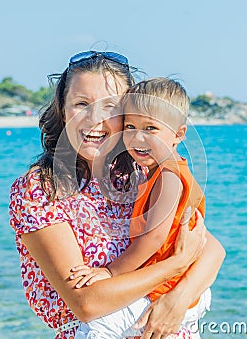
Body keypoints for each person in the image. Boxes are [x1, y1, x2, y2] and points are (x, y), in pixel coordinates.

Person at [9, 51, 226, 339]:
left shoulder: (139, 174)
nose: (95, 120)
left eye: (110, 108)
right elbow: (87, 303)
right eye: (81, 104)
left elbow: (211, 249)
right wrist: (176, 264)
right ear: (63, 110)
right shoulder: (42, 189)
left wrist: (179, 298)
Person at [72, 78, 212, 339]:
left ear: (179, 135)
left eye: (150, 128)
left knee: (98, 328)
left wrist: (110, 272)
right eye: (130, 126)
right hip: (169, 286)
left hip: (166, 290)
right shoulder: (156, 171)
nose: (138, 137)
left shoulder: (168, 177)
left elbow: (155, 237)